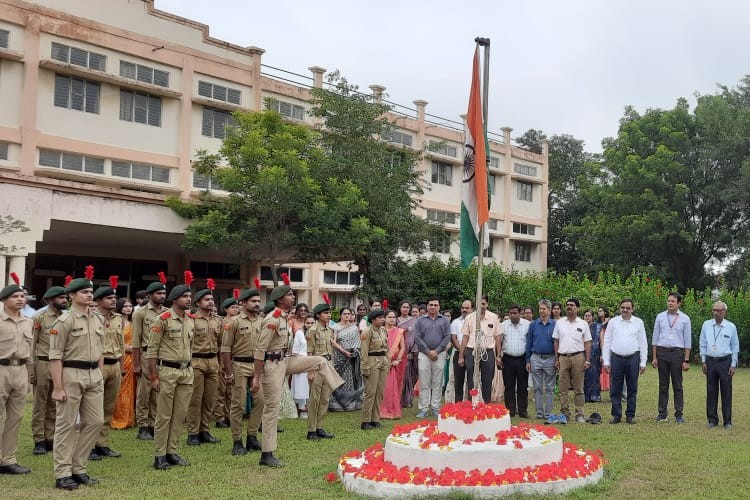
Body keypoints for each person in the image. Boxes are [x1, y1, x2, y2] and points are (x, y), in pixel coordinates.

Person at [251, 281, 353, 467]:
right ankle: (267, 454)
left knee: (320, 360)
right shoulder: (272, 319)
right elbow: (260, 351)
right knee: (271, 409)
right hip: (271, 365)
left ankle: (339, 391)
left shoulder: (284, 318)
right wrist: (257, 377)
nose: (293, 297)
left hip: (284, 360)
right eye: (290, 294)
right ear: (281, 299)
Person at [49, 276, 104, 490]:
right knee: (66, 425)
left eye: (91, 291)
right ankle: (62, 473)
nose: (90, 295)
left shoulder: (97, 319)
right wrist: (58, 387)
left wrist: (98, 374)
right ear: (72, 296)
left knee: (95, 421)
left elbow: (101, 349)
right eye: (84, 292)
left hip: (93, 374)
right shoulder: (64, 321)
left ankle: (78, 468)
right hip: (71, 373)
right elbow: (55, 356)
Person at [146, 279, 195, 470]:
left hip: (186, 371)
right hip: (167, 371)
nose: (189, 299)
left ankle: (172, 451)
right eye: (185, 296)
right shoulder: (163, 319)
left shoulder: (190, 320)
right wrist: (153, 376)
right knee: (164, 415)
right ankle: (159, 455)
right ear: (175, 299)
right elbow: (152, 350)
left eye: (190, 296)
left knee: (180, 415)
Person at [222, 287, 264, 455]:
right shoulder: (233, 322)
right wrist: (228, 372)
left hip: (257, 365)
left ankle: (252, 437)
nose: (257, 304)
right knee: (238, 404)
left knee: (260, 401)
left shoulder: (262, 321)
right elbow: (225, 349)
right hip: (239, 365)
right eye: (253, 301)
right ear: (243, 303)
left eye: (258, 301)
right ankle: (237, 441)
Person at [0, 281, 33, 474]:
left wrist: (29, 376)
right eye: (15, 296)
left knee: (16, 417)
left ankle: (8, 459)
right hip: (1, 369)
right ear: (4, 300)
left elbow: (31, 352)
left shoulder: (28, 321)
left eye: (22, 296)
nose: (21, 299)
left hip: (20, 370)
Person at [30, 285, 67, 455]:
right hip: (43, 363)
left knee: (54, 403)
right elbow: (32, 344)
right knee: (40, 403)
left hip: (59, 364)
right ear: (51, 300)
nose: (65, 300)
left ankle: (49, 437)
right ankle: (38, 439)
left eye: (65, 297)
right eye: (61, 298)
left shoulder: (66, 317)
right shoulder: (39, 317)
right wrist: (32, 368)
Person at [90, 280, 124, 460]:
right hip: (97, 366)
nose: (113, 300)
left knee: (108, 407)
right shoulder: (91, 317)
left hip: (114, 365)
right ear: (98, 300)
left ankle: (101, 443)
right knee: (92, 408)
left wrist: (122, 367)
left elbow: (119, 344)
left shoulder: (118, 318)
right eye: (109, 298)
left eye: (114, 297)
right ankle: (88, 446)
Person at [132, 277, 168, 441]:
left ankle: (154, 424)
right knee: (144, 393)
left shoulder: (167, 312)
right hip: (147, 355)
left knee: (157, 392)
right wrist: (136, 363)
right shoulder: (140, 313)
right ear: (149, 295)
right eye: (158, 293)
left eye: (163, 293)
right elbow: (136, 340)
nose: (162, 296)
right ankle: (143, 426)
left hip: (163, 356)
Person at [186, 285, 222, 446]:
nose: (210, 302)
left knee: (209, 399)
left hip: (213, 361)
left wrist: (220, 364)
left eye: (212, 299)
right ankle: (193, 432)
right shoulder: (191, 319)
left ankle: (205, 430)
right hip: (196, 361)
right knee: (195, 398)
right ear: (198, 302)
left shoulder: (217, 320)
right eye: (207, 300)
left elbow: (221, 344)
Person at [602, 298, 647, 424]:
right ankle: (616, 415)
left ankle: (630, 415)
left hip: (633, 358)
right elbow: (607, 342)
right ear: (619, 308)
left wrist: (643, 362)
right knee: (615, 388)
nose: (625, 310)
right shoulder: (613, 322)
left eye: (628, 308)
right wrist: (606, 361)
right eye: (623, 307)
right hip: (616, 358)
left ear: (632, 309)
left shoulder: (638, 322)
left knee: (632, 388)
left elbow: (643, 343)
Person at [652, 292, 691, 423]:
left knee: (677, 385)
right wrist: (654, 357)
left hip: (677, 353)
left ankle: (679, 414)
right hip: (662, 353)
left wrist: (686, 360)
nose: (670, 303)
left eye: (673, 301)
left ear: (679, 303)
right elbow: (655, 338)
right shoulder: (660, 317)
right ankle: (662, 413)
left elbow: (687, 340)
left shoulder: (685, 319)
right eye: (668, 300)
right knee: (663, 385)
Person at [699, 301, 739, 429]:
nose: (716, 313)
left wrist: (733, 364)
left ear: (724, 312)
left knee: (726, 391)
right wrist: (703, 360)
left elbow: (735, 346)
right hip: (710, 361)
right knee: (711, 390)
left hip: (725, 362)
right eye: (714, 310)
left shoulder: (731, 327)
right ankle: (712, 419)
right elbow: (703, 343)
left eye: (719, 310)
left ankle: (727, 421)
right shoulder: (706, 325)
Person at [552, 297, 591, 424]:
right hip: (563, 357)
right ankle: (565, 414)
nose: (569, 307)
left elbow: (588, 342)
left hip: (578, 357)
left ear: (577, 308)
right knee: (563, 388)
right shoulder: (560, 323)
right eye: (568, 305)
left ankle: (579, 414)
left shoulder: (583, 324)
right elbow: (556, 341)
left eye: (572, 305)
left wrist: (587, 360)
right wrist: (557, 358)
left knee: (579, 388)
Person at [459, 295, 502, 403]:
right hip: (471, 351)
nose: (481, 306)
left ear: (487, 304)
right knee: (471, 379)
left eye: (483, 303)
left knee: (487, 379)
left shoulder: (493, 317)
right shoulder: (469, 317)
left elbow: (497, 338)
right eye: (479, 303)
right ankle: (472, 404)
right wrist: (461, 356)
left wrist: (498, 355)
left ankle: (486, 404)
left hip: (487, 352)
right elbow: (465, 337)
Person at [414, 297, 451, 418]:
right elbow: (417, 337)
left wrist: (437, 351)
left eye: (435, 305)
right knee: (424, 382)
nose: (433, 307)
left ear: (439, 306)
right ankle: (424, 409)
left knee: (437, 382)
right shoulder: (420, 320)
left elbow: (447, 337)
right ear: (427, 306)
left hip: (439, 354)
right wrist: (428, 351)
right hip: (424, 354)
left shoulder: (445, 320)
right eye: (431, 305)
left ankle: (435, 407)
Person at [305, 303, 338, 440]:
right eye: (325, 313)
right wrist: (310, 371)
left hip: (328, 365)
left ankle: (319, 427)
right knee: (315, 399)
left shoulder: (330, 331)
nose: (328, 315)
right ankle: (311, 430)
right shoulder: (313, 331)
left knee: (325, 398)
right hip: (317, 365)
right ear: (318, 315)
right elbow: (310, 353)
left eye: (329, 313)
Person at [525, 299, 556, 420]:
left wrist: (557, 359)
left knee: (550, 387)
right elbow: (529, 342)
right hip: (536, 358)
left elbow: (557, 343)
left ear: (549, 310)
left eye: (544, 309)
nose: (542, 311)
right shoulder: (533, 324)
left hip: (550, 358)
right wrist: (528, 360)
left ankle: (548, 413)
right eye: (540, 309)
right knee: (537, 387)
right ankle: (539, 413)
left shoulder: (554, 324)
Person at [360, 309, 390, 429]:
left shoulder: (383, 330)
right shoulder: (367, 332)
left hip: (382, 360)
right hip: (372, 361)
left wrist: (387, 361)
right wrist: (365, 366)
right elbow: (364, 351)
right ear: (373, 320)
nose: (383, 319)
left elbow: (386, 347)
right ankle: (365, 420)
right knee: (370, 392)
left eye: (383, 317)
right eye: (380, 317)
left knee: (380, 392)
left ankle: (375, 419)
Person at [499, 304, 530, 418]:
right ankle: (510, 411)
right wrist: (499, 356)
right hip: (508, 359)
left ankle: (522, 411)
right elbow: (499, 342)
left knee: (523, 386)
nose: (512, 315)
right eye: (510, 313)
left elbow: (529, 342)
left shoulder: (527, 325)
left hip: (522, 359)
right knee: (509, 386)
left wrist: (528, 360)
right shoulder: (503, 325)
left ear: (520, 313)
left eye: (515, 313)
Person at [329, 307, 363, 411]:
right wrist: (344, 351)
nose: (347, 316)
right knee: (338, 379)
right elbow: (333, 342)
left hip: (352, 356)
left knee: (350, 379)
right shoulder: (335, 327)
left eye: (349, 314)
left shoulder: (355, 327)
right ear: (340, 315)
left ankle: (350, 404)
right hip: (339, 356)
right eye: (345, 314)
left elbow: (359, 342)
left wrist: (354, 352)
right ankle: (336, 404)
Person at [214, 294, 239, 429]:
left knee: (232, 391)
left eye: (237, 307)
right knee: (220, 390)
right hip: (223, 359)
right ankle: (219, 417)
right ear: (225, 309)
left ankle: (230, 415)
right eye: (232, 307)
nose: (236, 309)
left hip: (235, 359)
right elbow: (219, 343)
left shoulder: (239, 322)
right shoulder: (221, 323)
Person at [111, 298, 136, 429]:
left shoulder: (134, 322)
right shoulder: (117, 322)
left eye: (130, 306)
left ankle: (129, 417)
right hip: (122, 357)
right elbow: (114, 340)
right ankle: (118, 417)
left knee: (131, 389)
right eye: (125, 306)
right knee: (120, 389)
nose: (128, 308)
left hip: (134, 359)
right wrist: (126, 348)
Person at [380, 310, 406, 419]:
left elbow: (402, 347)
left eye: (394, 317)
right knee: (382, 388)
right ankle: (381, 411)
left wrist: (398, 360)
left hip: (394, 365)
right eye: (389, 317)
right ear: (384, 318)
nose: (392, 319)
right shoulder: (380, 330)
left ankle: (393, 411)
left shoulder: (399, 332)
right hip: (381, 363)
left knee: (392, 388)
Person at [450, 299, 472, 402]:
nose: (464, 310)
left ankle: (471, 404)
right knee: (458, 381)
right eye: (463, 308)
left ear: (472, 309)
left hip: (472, 354)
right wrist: (462, 351)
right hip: (458, 353)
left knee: (472, 382)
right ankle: (458, 405)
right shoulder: (455, 322)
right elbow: (453, 338)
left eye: (467, 308)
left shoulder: (476, 322)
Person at [292, 314, 312, 417]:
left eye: (312, 323)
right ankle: (302, 409)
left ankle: (312, 408)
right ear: (304, 323)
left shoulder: (317, 333)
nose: (310, 325)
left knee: (311, 385)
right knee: (302, 384)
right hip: (302, 361)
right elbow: (295, 350)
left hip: (313, 361)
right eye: (308, 323)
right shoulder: (299, 333)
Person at [583, 309, 602, 403]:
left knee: (594, 375)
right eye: (585, 315)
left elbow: (602, 341)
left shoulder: (598, 326)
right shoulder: (581, 326)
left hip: (595, 354)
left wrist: (602, 354)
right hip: (583, 354)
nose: (587, 317)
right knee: (584, 375)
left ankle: (595, 396)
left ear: (592, 317)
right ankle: (585, 396)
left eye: (589, 315)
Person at [597, 307, 611, 393]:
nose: (599, 312)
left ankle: (606, 385)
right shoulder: (597, 323)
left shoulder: (609, 322)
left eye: (601, 311)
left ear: (605, 312)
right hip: (597, 345)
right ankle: (601, 384)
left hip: (607, 345)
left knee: (606, 364)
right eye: (598, 311)